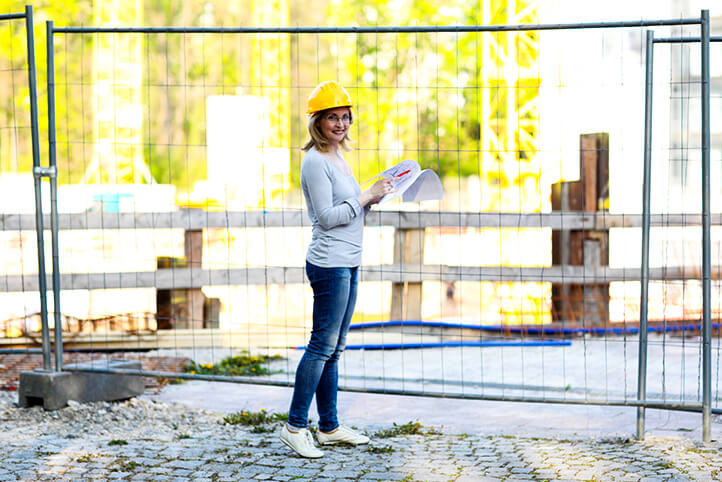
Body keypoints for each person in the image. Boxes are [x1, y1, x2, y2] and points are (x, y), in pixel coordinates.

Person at [279, 81, 396, 458]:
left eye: (345, 117)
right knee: (321, 346)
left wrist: (369, 200)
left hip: (349, 261)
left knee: (335, 349)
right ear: (317, 121)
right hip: (330, 264)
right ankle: (296, 426)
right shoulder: (315, 160)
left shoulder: (337, 157)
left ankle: (328, 427)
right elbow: (328, 218)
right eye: (333, 118)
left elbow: (347, 207)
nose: (341, 124)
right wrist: (364, 196)